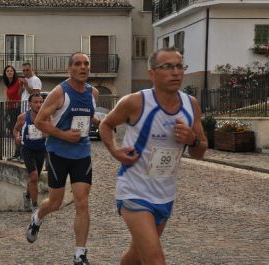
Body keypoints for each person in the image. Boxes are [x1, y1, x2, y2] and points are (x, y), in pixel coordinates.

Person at [99, 47, 207, 265]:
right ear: (152, 73)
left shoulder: (190, 104)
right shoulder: (135, 102)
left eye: (179, 66)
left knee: (136, 256)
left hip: (165, 193)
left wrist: (192, 139)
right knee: (155, 260)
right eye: (167, 67)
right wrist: (114, 150)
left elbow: (200, 151)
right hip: (134, 189)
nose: (175, 72)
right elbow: (106, 124)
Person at [26, 52, 100, 265]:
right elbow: (40, 121)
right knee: (56, 202)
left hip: (82, 154)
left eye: (86, 63)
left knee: (82, 202)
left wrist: (101, 123)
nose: (83, 67)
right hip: (58, 153)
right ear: (70, 69)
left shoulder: (93, 93)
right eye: (78, 64)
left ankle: (80, 254)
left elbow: (90, 115)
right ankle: (37, 217)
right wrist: (64, 135)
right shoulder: (60, 92)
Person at [13, 93, 45, 212]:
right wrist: (17, 137)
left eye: (41, 102)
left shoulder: (46, 116)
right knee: (34, 176)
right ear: (30, 103)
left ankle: (27, 195)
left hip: (41, 149)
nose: (39, 104)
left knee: (34, 179)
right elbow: (16, 129)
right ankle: (35, 206)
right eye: (36, 102)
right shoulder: (23, 117)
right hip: (27, 149)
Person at [3, 65, 23, 160]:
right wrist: (6, 109)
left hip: (17, 109)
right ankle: (17, 152)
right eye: (7, 71)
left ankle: (20, 153)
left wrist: (17, 105)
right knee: (13, 131)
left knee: (18, 130)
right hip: (10, 110)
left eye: (11, 71)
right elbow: (7, 97)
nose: (9, 72)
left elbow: (20, 94)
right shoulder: (8, 84)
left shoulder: (18, 81)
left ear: (14, 72)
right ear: (5, 73)